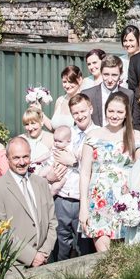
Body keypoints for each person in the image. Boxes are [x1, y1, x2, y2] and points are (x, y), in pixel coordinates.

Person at [78, 92, 139, 252]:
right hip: (98, 201)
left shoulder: (135, 137)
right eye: (111, 111)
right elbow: (85, 173)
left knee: (123, 256)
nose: (114, 115)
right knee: (103, 256)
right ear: (105, 111)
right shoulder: (93, 136)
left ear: (126, 113)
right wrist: (83, 207)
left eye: (119, 112)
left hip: (124, 201)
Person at [0, 137, 58, 268]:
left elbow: (52, 222)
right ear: (7, 159)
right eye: (16, 158)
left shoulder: (41, 183)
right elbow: (0, 232)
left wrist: (44, 253)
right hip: (16, 266)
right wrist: (31, 256)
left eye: (25, 157)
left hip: (45, 261)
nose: (22, 162)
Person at [52, 94, 98, 261]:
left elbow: (96, 168)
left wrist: (73, 162)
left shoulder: (99, 134)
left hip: (83, 199)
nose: (79, 116)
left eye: (82, 111)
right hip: (63, 197)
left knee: (83, 247)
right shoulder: (67, 134)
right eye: (75, 113)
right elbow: (55, 157)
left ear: (91, 109)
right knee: (61, 245)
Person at [82, 54, 131, 126]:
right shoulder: (88, 95)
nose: (110, 80)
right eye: (106, 74)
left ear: (120, 74)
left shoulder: (129, 95)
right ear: (101, 73)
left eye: (114, 75)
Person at [19, 108, 55, 175]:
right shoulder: (21, 139)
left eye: (33, 123)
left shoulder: (51, 138)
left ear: (41, 122)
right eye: (27, 124)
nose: (30, 128)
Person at [50, 65, 83, 131]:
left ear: (79, 80)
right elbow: (53, 129)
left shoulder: (83, 101)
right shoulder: (60, 100)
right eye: (64, 82)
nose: (67, 86)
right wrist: (40, 112)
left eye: (70, 82)